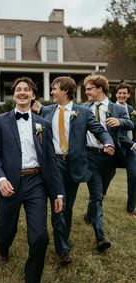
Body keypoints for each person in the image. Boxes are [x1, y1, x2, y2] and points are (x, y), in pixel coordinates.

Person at [0, 77, 63, 283]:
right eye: (18, 89)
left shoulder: (43, 123)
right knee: (4, 229)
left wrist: (58, 192)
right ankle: (3, 247)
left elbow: (50, 159)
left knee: (40, 236)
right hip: (9, 183)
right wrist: (0, 178)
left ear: (33, 95)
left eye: (26, 89)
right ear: (14, 95)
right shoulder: (1, 121)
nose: (22, 92)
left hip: (36, 183)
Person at [32, 76, 115, 263]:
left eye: (55, 89)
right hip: (54, 164)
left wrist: (108, 142)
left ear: (66, 91)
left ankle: (63, 238)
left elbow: (99, 130)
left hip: (74, 165)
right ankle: (63, 248)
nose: (52, 92)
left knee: (68, 206)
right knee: (58, 204)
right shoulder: (47, 110)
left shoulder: (83, 113)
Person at [83, 75, 134, 251]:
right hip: (90, 156)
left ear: (99, 89)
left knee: (101, 192)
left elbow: (130, 124)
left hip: (110, 158)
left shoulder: (116, 108)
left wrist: (120, 121)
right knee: (97, 195)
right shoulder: (83, 108)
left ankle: (90, 215)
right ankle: (100, 238)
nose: (86, 91)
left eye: (89, 88)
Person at [115, 82, 136, 217]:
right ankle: (92, 210)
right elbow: (117, 134)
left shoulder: (130, 109)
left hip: (130, 150)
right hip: (116, 148)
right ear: (116, 94)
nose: (122, 95)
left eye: (124, 93)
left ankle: (130, 208)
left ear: (128, 94)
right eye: (120, 93)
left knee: (134, 175)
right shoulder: (111, 109)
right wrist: (132, 144)